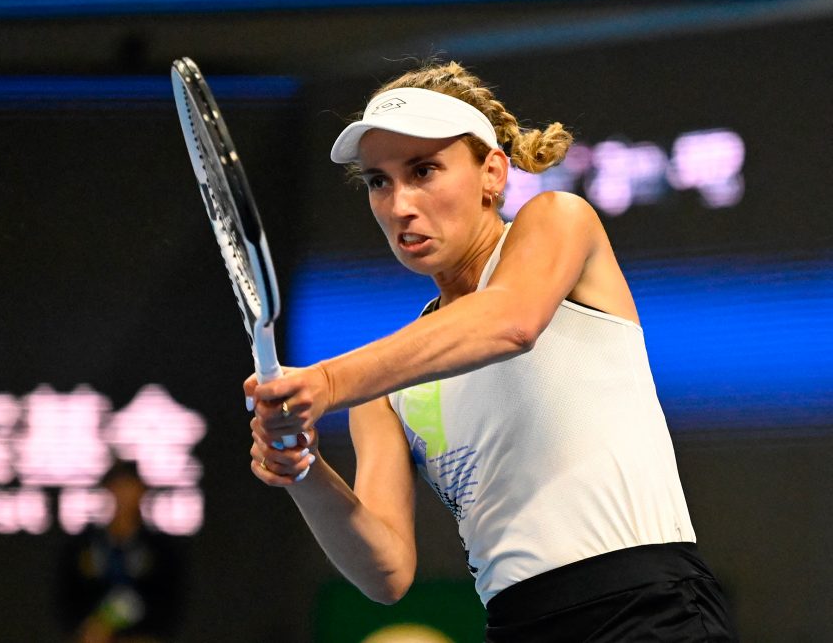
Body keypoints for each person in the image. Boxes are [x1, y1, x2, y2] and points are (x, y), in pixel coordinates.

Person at [244, 61, 738, 641]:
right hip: (514, 624)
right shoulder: (384, 386)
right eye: (379, 181)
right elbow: (385, 572)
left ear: (493, 174)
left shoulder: (560, 219)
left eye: (424, 170)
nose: (400, 203)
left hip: (647, 612)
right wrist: (301, 466)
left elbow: (510, 322)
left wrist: (325, 383)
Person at [55, 459, 187, 643]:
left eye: (130, 486)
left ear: (142, 491)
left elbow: (169, 602)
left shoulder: (161, 549)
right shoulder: (84, 545)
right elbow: (67, 598)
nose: (124, 494)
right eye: (118, 486)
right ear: (108, 489)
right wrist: (92, 629)